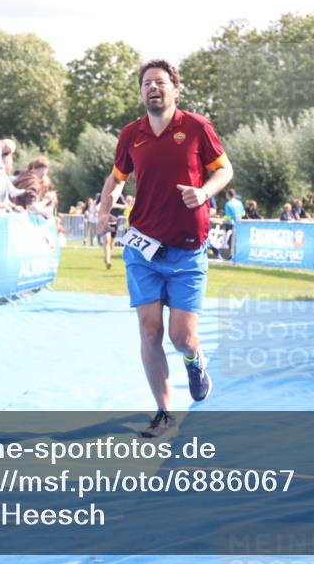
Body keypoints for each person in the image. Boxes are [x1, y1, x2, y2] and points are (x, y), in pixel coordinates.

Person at [95, 59, 233, 438]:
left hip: (187, 249)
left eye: (160, 82)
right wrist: (104, 209)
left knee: (181, 337)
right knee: (149, 330)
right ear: (141, 92)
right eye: (146, 84)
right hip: (143, 247)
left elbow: (224, 170)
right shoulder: (132, 134)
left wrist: (203, 192)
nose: (153, 88)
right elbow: (117, 178)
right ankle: (165, 413)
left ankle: (194, 359)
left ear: (175, 89)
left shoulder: (197, 127)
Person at [94, 190, 127, 269]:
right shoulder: (101, 195)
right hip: (105, 220)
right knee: (107, 241)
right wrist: (98, 208)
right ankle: (108, 260)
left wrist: (115, 205)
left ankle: (107, 257)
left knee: (111, 242)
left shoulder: (119, 195)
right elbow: (96, 206)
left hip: (114, 221)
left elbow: (125, 206)